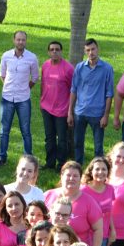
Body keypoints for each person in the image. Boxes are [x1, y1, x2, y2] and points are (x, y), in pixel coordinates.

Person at [44, 161, 103, 246]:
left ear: (80, 178)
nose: (71, 178)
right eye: (68, 175)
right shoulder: (48, 195)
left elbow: (98, 229)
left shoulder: (89, 202)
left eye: (75, 176)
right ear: (61, 176)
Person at [0, 30, 40, 167]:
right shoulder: (6, 56)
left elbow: (35, 77)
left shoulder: (32, 58)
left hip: (23, 99)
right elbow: (2, 74)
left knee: (26, 130)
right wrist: (8, 86)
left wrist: (26, 88)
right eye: (18, 39)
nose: (20, 42)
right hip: (7, 98)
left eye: (23, 40)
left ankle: (28, 158)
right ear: (14, 40)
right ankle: (2, 157)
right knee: (4, 131)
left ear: (26, 41)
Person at [68, 38, 114, 165]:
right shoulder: (79, 68)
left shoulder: (107, 68)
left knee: (98, 147)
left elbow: (109, 94)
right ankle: (78, 167)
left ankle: (98, 169)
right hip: (80, 112)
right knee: (78, 143)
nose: (91, 52)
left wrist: (106, 115)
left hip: (97, 113)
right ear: (84, 51)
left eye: (93, 49)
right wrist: (70, 112)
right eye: (87, 50)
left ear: (98, 49)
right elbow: (73, 90)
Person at [40, 40, 74, 171]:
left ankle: (61, 164)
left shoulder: (68, 68)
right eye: (52, 49)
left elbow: (73, 90)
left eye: (57, 49)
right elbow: (43, 84)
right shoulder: (45, 66)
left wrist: (70, 111)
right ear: (48, 52)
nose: (54, 52)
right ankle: (49, 162)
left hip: (62, 110)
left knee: (62, 139)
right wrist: (41, 102)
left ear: (61, 51)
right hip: (46, 108)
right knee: (49, 137)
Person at [80, 156, 115, 246]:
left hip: (104, 236)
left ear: (108, 172)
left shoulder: (110, 189)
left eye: (104, 169)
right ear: (91, 172)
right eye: (97, 169)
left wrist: (112, 230)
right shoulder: (83, 191)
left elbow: (109, 212)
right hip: (86, 238)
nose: (100, 172)